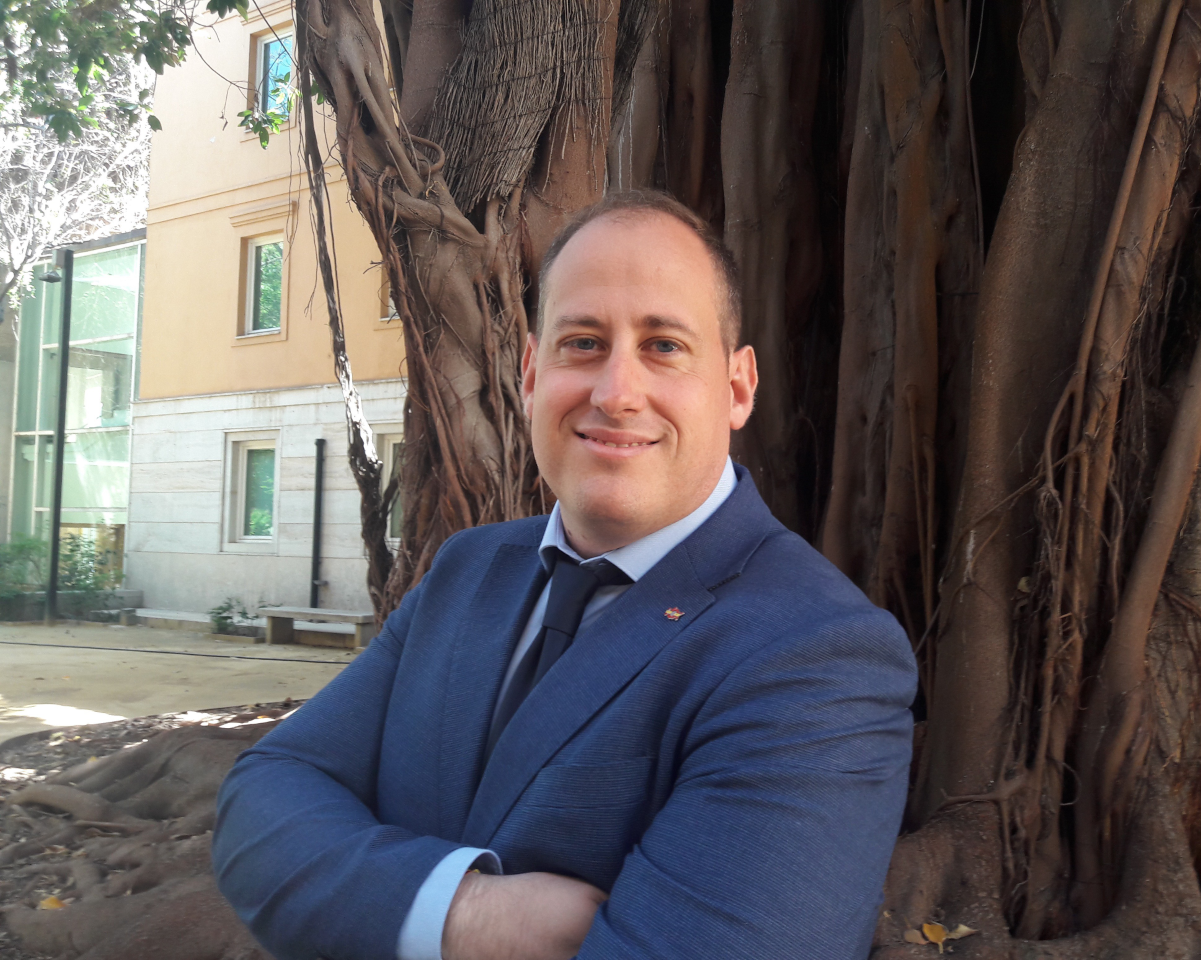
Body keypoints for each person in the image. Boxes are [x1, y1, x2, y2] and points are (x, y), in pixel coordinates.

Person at [213, 190, 916, 960]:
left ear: (738, 387)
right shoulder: (467, 569)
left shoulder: (819, 655)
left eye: (664, 346)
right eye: (583, 342)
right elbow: (267, 794)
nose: (615, 393)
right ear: (529, 373)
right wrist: (465, 913)